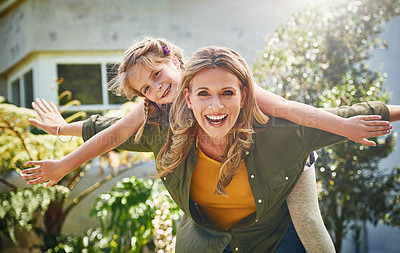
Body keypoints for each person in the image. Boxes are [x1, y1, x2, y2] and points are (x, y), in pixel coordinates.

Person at [22, 41, 395, 252]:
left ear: (175, 61)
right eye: (146, 89)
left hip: (283, 168)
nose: (156, 89)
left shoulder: (223, 79)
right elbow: (109, 132)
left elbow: (293, 111)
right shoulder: (155, 113)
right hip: (219, 221)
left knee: (307, 217)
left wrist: (344, 126)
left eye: (157, 75)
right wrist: (62, 146)